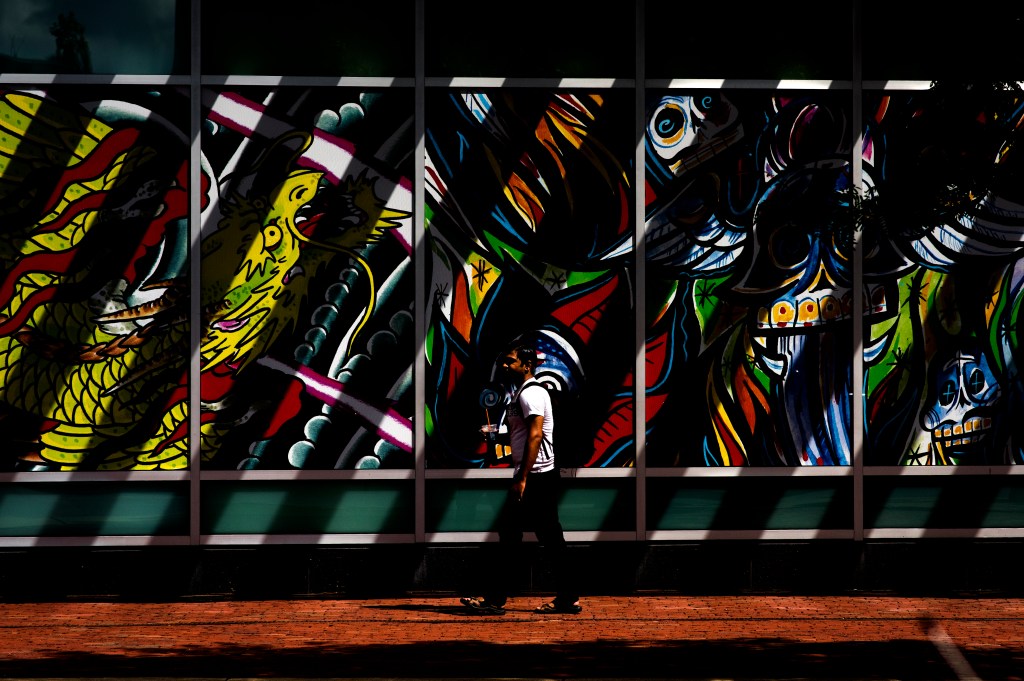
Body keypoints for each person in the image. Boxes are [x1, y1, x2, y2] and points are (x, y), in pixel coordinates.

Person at [460, 345, 581, 615]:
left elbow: (536, 435)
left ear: (527, 365)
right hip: (536, 475)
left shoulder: (532, 393)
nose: (504, 366)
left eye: (510, 361)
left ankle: (495, 599)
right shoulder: (521, 393)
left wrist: (522, 478)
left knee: (517, 534)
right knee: (542, 536)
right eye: (504, 361)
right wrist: (498, 434)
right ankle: (566, 596)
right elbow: (523, 431)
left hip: (536, 476)